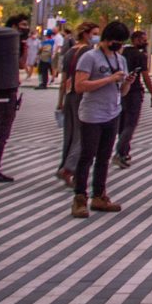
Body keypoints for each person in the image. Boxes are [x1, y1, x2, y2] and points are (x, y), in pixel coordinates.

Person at [71, 20, 133, 217]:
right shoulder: (89, 57)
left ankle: (99, 196)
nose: (118, 45)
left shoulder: (120, 60)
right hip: (92, 114)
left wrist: (127, 83)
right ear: (107, 39)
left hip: (112, 113)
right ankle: (80, 198)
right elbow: (79, 86)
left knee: (104, 158)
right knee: (87, 156)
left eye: (121, 42)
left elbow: (122, 91)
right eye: (116, 41)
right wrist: (109, 79)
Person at [0, 14, 30, 182]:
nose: (26, 28)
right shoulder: (14, 43)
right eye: (23, 25)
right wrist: (25, 48)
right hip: (8, 93)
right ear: (14, 26)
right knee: (2, 134)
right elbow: (22, 64)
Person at [56, 21, 100, 188]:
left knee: (70, 133)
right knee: (83, 134)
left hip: (69, 95)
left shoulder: (69, 52)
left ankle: (66, 167)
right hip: (82, 95)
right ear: (85, 34)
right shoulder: (88, 52)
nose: (96, 37)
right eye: (94, 34)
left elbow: (63, 79)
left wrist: (60, 101)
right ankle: (69, 168)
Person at [114, 29, 152, 168]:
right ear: (136, 40)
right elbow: (145, 75)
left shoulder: (122, 53)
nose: (146, 42)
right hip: (134, 92)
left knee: (122, 124)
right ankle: (120, 152)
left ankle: (124, 152)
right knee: (130, 124)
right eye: (144, 40)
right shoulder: (140, 56)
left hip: (121, 92)